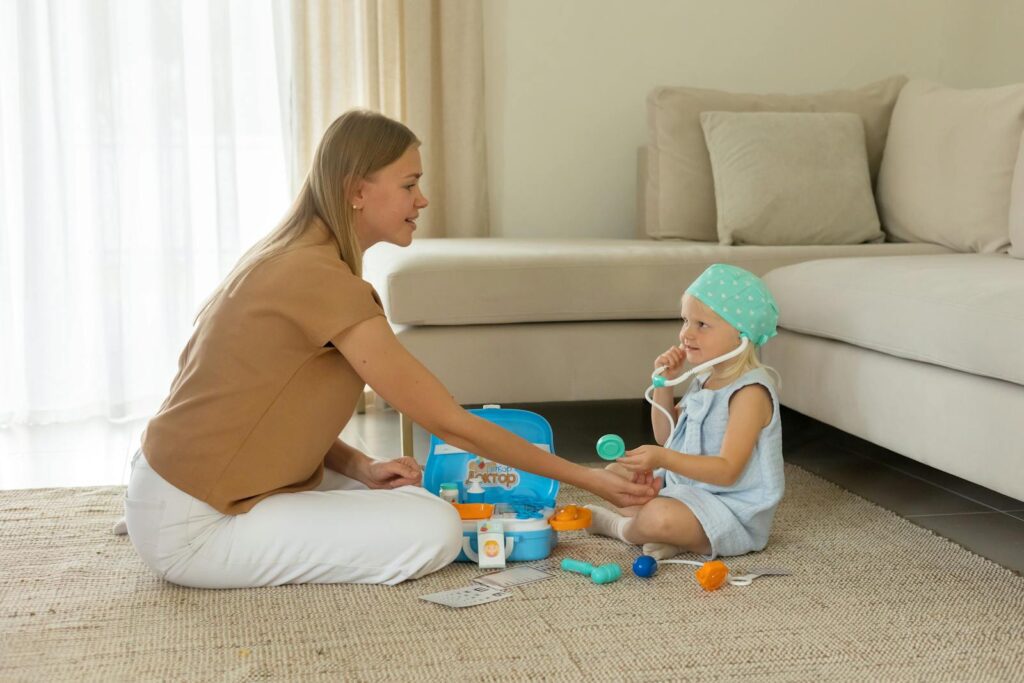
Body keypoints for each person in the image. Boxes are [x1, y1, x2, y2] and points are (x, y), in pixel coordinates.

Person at [122, 110, 656, 589]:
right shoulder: (320, 279)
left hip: (171, 483)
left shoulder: (289, 256)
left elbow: (265, 407)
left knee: (397, 495)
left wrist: (359, 465)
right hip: (193, 526)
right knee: (436, 528)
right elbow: (448, 422)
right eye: (409, 184)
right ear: (357, 190)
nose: (421, 200)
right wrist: (587, 478)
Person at [585, 264, 784, 561]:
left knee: (659, 517)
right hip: (687, 491)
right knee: (616, 476)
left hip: (728, 510)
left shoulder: (750, 394)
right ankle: (678, 539)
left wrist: (663, 459)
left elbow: (727, 471)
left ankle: (623, 529)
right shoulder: (704, 378)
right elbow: (667, 436)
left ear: (741, 335)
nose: (686, 334)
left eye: (702, 325)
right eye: (685, 321)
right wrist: (664, 383)